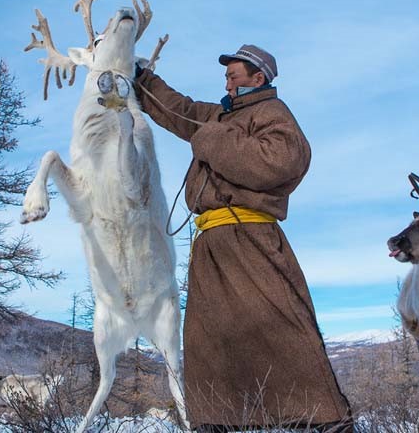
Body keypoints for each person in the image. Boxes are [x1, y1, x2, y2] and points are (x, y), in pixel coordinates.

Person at [133, 45, 353, 432]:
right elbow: (179, 109)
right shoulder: (219, 116)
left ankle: (325, 420)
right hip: (211, 243)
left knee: (282, 326)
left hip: (251, 237)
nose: (227, 83)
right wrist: (141, 79)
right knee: (208, 340)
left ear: (258, 78)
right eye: (226, 77)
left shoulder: (272, 113)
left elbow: (280, 162)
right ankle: (217, 421)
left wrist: (212, 140)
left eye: (233, 76)